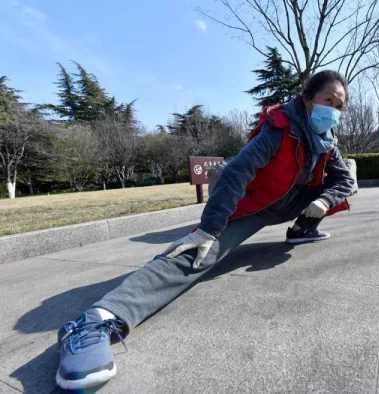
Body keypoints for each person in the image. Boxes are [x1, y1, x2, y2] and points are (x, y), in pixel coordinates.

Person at [54, 70, 355, 390]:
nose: (333, 111)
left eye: (340, 106)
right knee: (198, 253)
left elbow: (345, 181)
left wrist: (324, 201)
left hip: (293, 204)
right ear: (308, 99)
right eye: (328, 101)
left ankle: (302, 230)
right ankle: (96, 321)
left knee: (344, 175)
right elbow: (236, 172)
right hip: (254, 205)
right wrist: (209, 229)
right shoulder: (280, 128)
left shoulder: (326, 141)